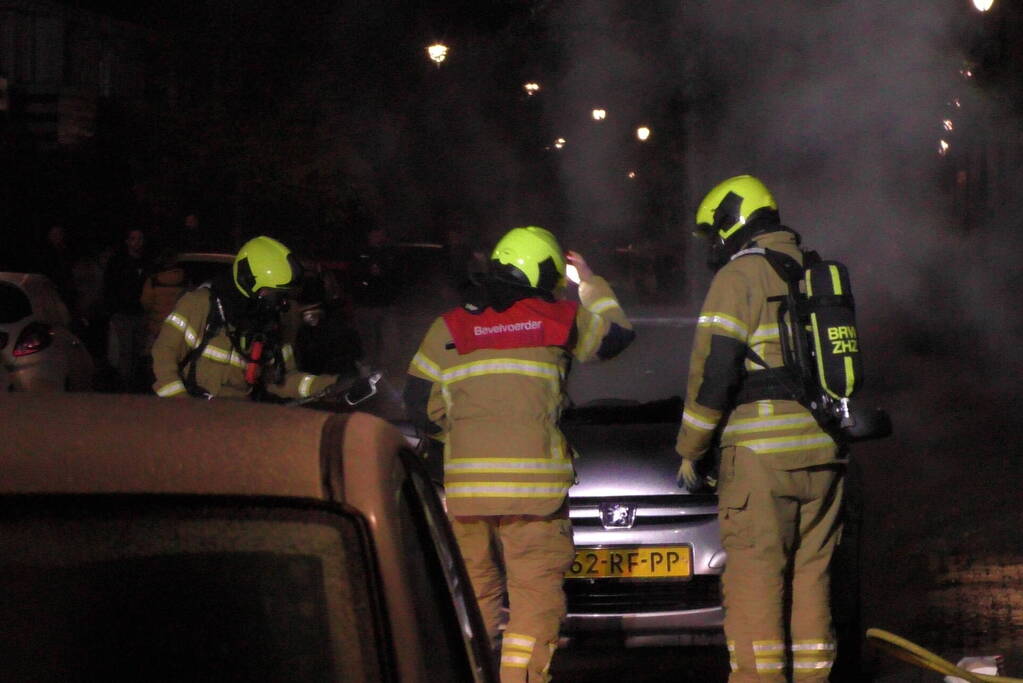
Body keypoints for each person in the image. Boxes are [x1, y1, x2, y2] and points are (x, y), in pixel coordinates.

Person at [404, 226, 635, 682]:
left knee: (474, 597)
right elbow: (618, 337)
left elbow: (419, 407)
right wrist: (590, 284)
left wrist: (466, 440)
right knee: (534, 602)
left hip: (466, 495)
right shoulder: (559, 318)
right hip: (534, 497)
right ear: (543, 272)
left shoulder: (448, 326)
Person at [674, 175, 844, 682]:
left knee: (755, 585)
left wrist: (691, 449)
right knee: (812, 582)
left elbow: (715, 373)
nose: (714, 245)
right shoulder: (814, 271)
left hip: (760, 461)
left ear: (733, 221)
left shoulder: (739, 276)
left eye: (715, 233)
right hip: (825, 450)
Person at [151, 235, 340, 401]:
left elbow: (282, 380)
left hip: (237, 417)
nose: (280, 303)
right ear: (248, 281)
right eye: (273, 294)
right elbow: (163, 356)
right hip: (192, 414)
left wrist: (332, 385)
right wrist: (181, 405)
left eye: (283, 295)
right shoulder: (199, 304)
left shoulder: (268, 324)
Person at [102, 228, 149, 391]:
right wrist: (113, 309)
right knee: (125, 351)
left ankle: (135, 384)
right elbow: (109, 286)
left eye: (140, 239)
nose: (137, 242)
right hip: (123, 313)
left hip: (141, 313)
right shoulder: (118, 262)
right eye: (134, 239)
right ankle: (125, 386)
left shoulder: (146, 263)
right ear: (127, 242)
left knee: (138, 351)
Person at [349, 224, 399, 373]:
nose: (379, 237)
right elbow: (353, 274)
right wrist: (367, 273)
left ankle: (387, 367)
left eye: (381, 234)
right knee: (367, 339)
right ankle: (368, 367)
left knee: (389, 339)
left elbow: (396, 275)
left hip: (385, 303)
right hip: (366, 303)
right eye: (376, 233)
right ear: (370, 235)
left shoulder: (388, 252)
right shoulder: (360, 252)